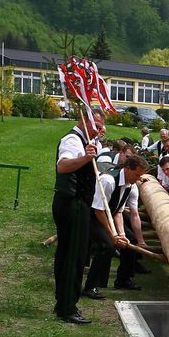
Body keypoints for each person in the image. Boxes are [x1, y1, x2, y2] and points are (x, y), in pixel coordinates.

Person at [52, 109, 104, 324]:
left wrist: (94, 144)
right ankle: (67, 308)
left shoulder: (87, 141)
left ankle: (64, 303)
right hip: (72, 203)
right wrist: (85, 157)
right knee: (73, 256)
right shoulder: (73, 140)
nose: (99, 130)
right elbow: (63, 166)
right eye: (96, 125)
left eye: (101, 126)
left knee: (72, 254)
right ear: (84, 122)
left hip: (78, 202)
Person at [83, 155, 150, 297]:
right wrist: (112, 236)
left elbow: (118, 211)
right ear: (127, 169)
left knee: (131, 241)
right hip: (92, 216)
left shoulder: (130, 185)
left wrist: (122, 235)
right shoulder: (108, 181)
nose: (139, 179)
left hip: (108, 215)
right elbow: (99, 211)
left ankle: (123, 280)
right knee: (107, 246)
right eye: (137, 174)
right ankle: (91, 286)